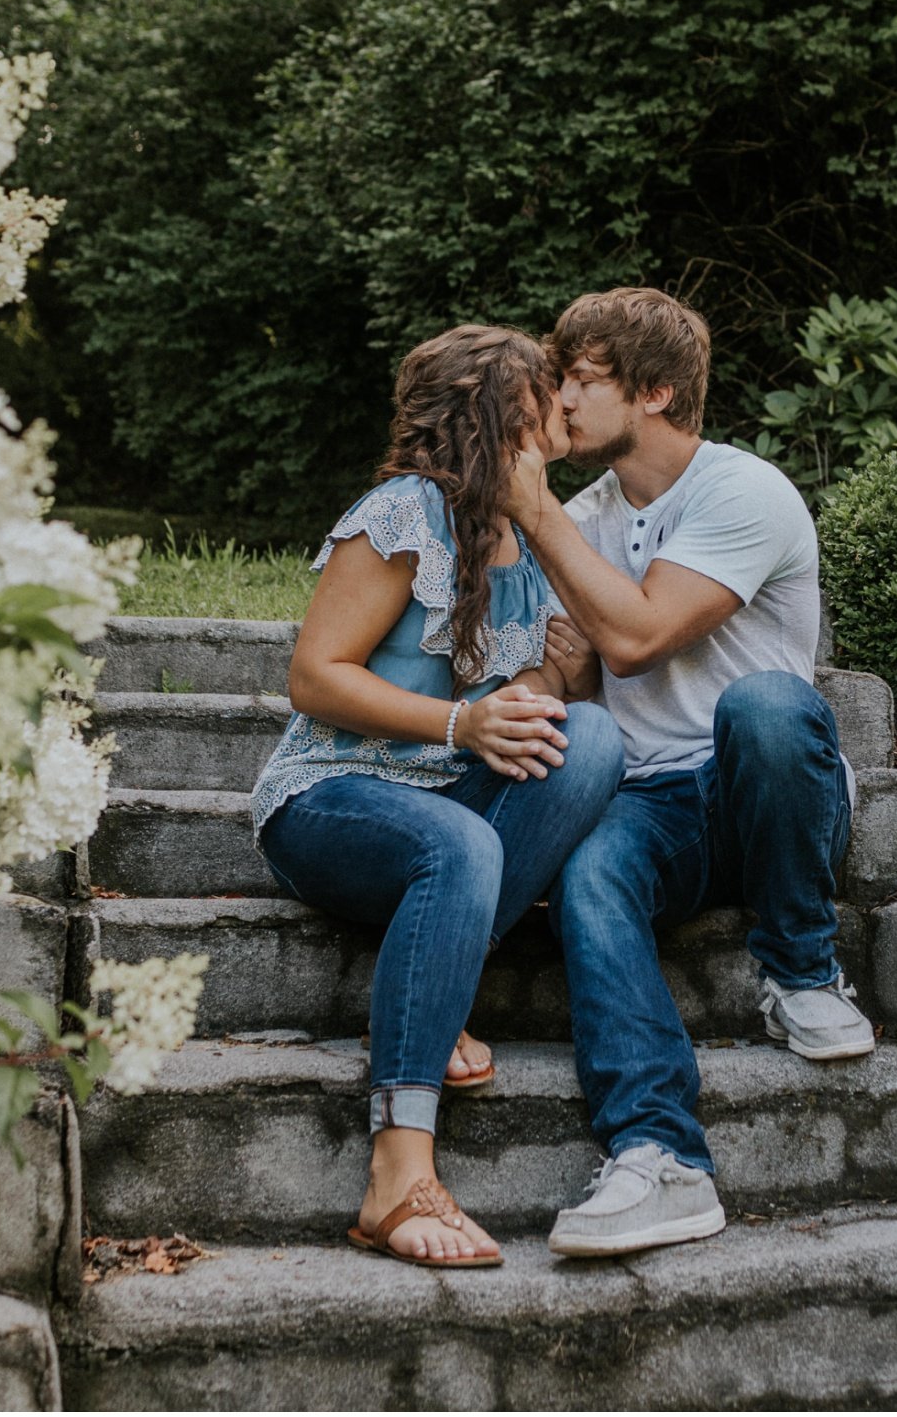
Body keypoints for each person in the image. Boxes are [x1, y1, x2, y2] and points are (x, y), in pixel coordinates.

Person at [496, 286, 873, 1259]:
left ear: (655, 391)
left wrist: (533, 512)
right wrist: (549, 670)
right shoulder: (578, 515)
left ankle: (798, 965)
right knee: (589, 873)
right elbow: (573, 677)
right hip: (658, 802)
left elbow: (639, 636)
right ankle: (658, 1155)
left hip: (775, 795)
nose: (560, 404)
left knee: (764, 705)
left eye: (580, 382)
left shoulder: (740, 490)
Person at [250, 324, 623, 1269]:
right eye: (550, 386)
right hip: (335, 794)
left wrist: (559, 683)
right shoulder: (406, 511)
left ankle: (439, 969)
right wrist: (463, 726)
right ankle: (397, 1173)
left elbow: (524, 709)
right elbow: (315, 676)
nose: (566, 402)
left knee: (595, 741)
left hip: (448, 802)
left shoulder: (534, 542)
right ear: (505, 411)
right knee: (459, 845)